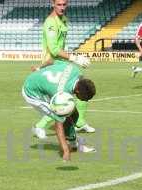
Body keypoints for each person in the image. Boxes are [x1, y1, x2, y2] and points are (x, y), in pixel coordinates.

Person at [31, 0, 94, 140]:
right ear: (52, 4)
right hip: (52, 64)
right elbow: (53, 49)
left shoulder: (64, 20)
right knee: (62, 99)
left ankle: (80, 122)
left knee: (82, 87)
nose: (62, 7)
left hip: (61, 62)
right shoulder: (50, 23)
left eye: (64, 4)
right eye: (58, 4)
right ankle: (39, 126)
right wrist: (75, 58)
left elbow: (60, 46)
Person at [23, 61, 97, 161]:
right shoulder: (60, 93)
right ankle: (71, 146)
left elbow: (52, 61)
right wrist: (65, 151)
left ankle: (73, 142)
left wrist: (39, 69)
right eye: (85, 97)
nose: (86, 100)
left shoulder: (75, 69)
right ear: (78, 91)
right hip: (32, 93)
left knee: (74, 114)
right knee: (62, 117)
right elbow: (58, 125)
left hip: (37, 80)